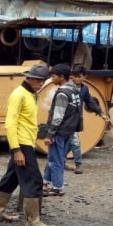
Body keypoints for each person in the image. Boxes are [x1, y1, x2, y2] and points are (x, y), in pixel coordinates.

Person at [0, 64, 56, 226]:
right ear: (30, 78)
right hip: (22, 144)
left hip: (26, 142)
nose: (42, 83)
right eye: (39, 80)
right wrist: (16, 150)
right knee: (33, 180)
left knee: (11, 177)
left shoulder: (30, 94)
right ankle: (32, 222)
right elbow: (10, 124)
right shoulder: (19, 95)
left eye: (43, 80)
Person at [42, 63, 83, 197]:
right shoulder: (75, 90)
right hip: (69, 131)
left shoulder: (62, 94)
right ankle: (45, 182)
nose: (51, 79)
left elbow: (57, 117)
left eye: (53, 76)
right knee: (54, 157)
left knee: (57, 159)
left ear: (61, 77)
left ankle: (57, 187)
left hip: (59, 131)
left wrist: (50, 134)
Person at [65, 65, 110, 174]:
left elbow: (90, 102)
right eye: (75, 76)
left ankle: (75, 164)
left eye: (79, 76)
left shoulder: (84, 89)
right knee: (71, 142)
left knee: (72, 141)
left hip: (75, 120)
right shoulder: (67, 88)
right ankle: (72, 163)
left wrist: (100, 113)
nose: (76, 79)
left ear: (84, 77)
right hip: (65, 120)